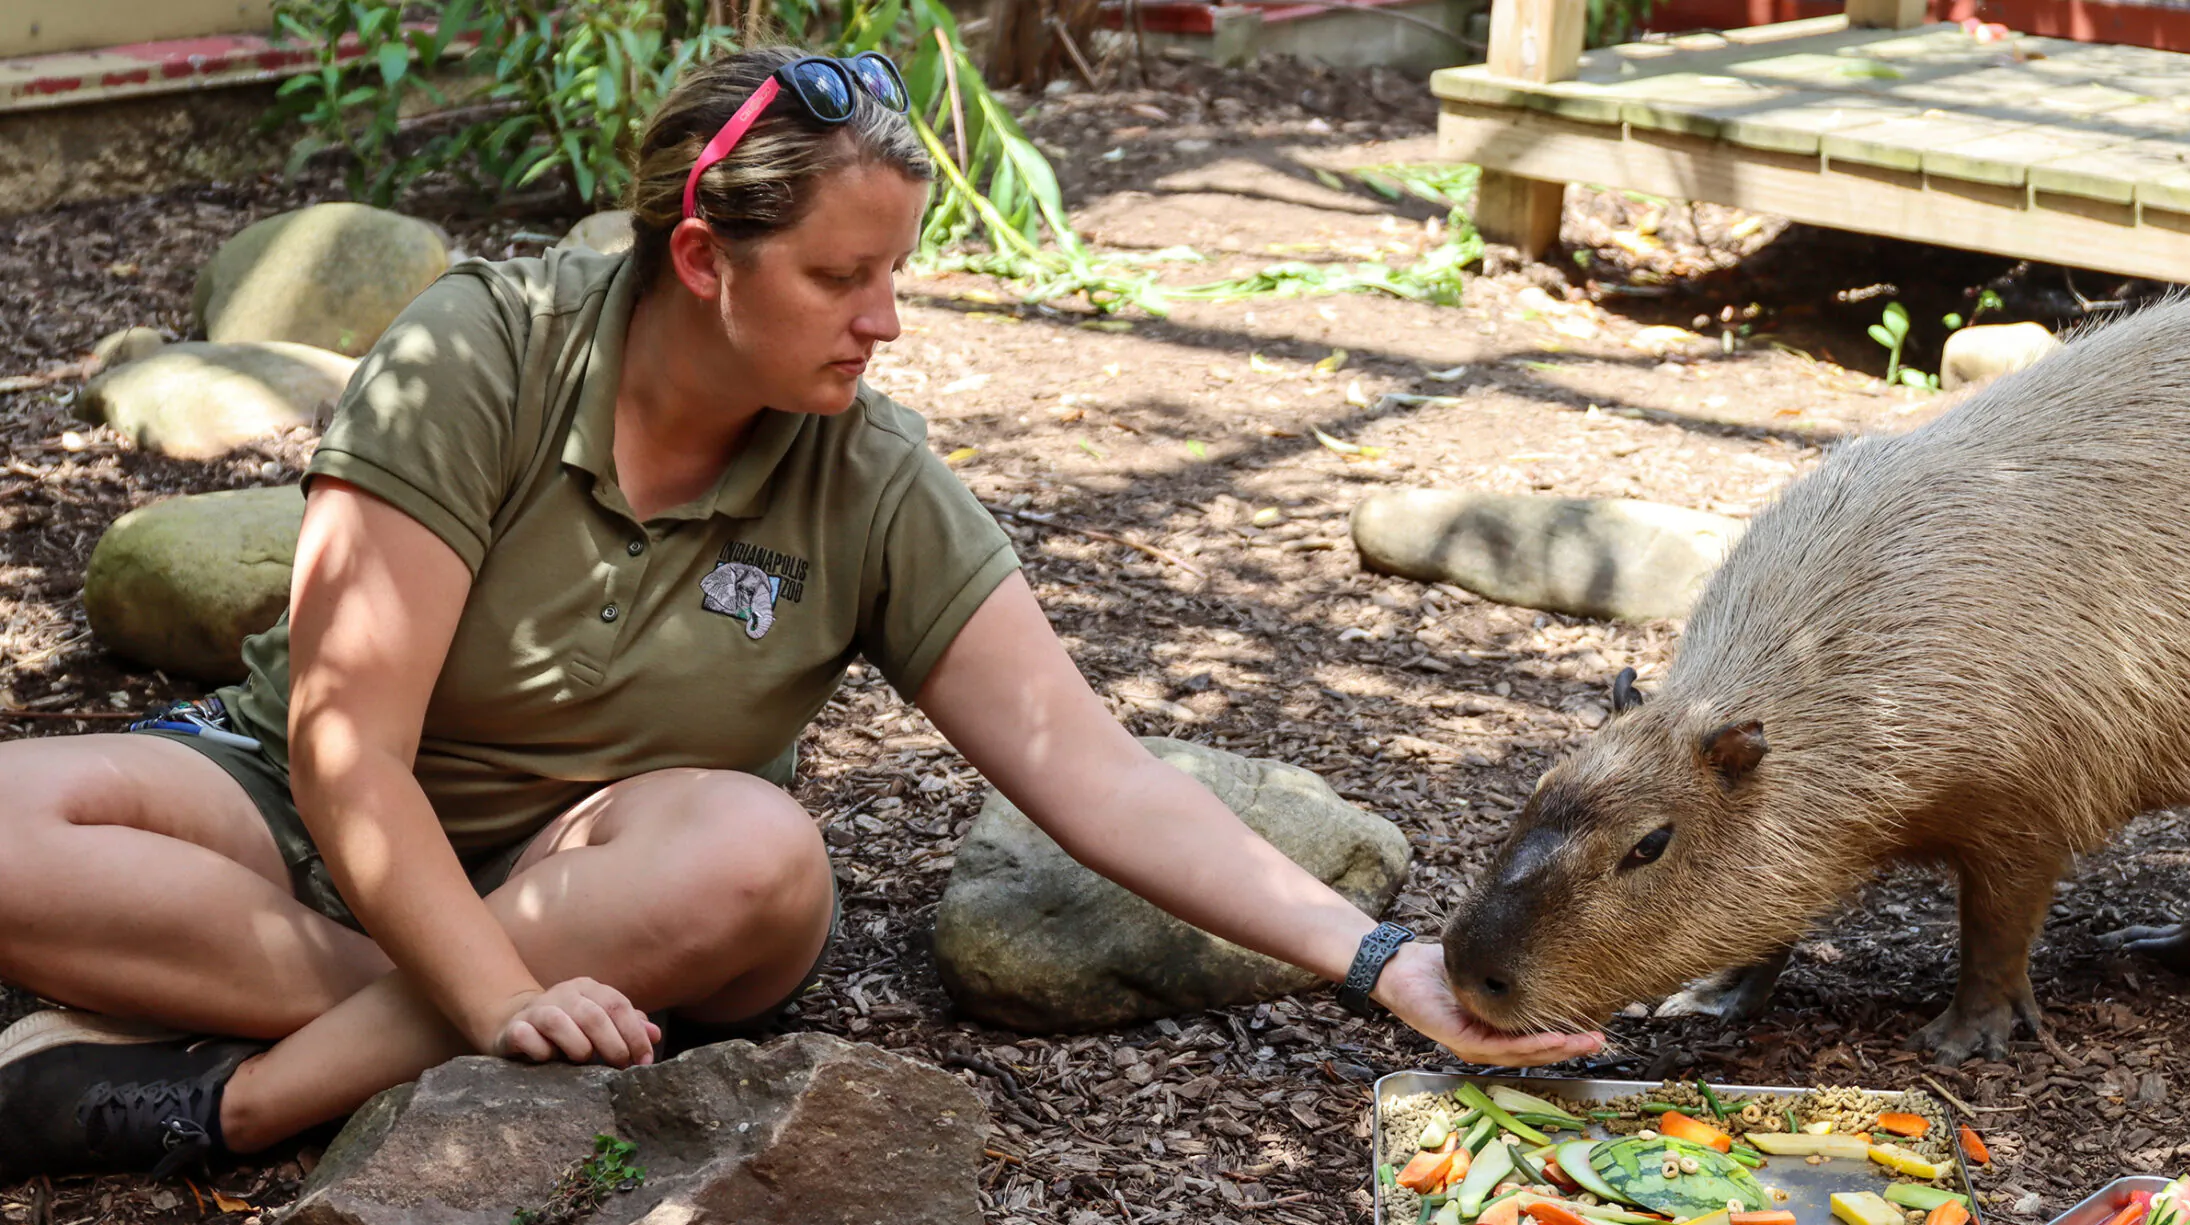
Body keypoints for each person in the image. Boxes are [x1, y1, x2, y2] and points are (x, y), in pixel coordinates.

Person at [0, 45, 1602, 1181]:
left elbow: (1090, 769)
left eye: (896, 270)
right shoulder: (484, 351)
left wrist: (1377, 954)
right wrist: (493, 1001)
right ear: (704, 256)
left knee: (759, 859)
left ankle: (237, 1104)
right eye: (845, 278)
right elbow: (345, 751)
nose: (886, 320)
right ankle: (381, 1015)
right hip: (310, 820)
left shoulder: (872, 476)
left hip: (615, 879)